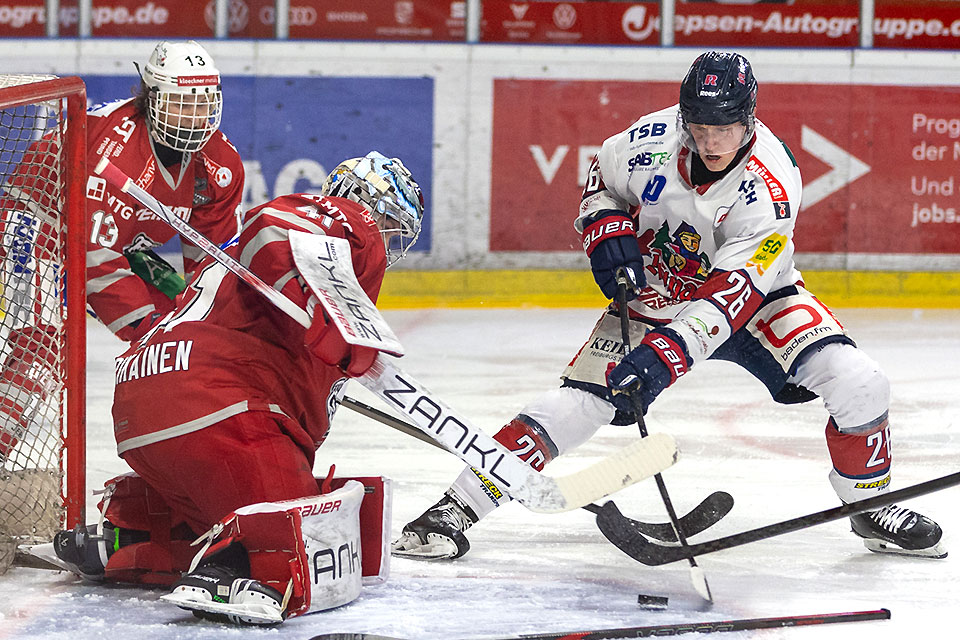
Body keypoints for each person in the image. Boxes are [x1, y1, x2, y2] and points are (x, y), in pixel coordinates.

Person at [393, 51, 946, 562]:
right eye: (700, 127)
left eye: (724, 129)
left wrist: (663, 356)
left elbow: (731, 298)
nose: (709, 143)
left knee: (860, 380)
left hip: (755, 299)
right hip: (656, 293)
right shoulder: (649, 138)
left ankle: (869, 506)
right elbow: (601, 182)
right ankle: (456, 507)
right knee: (580, 402)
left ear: (750, 119)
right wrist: (606, 232)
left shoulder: (773, 186)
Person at [45, 152, 424, 625]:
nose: (389, 237)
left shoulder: (232, 262)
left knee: (220, 505)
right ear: (372, 206)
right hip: (216, 407)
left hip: (144, 412)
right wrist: (313, 300)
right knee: (297, 537)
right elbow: (271, 219)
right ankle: (230, 570)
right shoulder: (348, 224)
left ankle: (130, 534)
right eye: (392, 223)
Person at [0, 40, 243, 463]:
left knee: (188, 325)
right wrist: (149, 333)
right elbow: (93, 258)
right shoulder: (115, 151)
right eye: (182, 104)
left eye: (204, 103)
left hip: (116, 245)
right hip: (36, 222)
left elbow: (213, 263)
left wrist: (216, 328)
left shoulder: (219, 166)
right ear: (151, 98)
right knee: (42, 351)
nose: (196, 116)